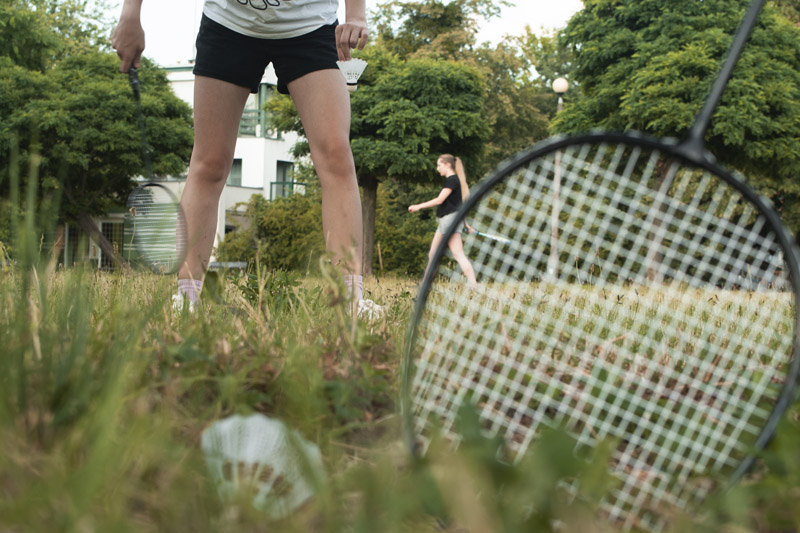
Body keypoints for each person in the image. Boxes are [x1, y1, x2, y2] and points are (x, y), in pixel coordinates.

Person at [112, 0, 374, 314]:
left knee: (336, 155)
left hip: (309, 23)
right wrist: (130, 15)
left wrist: (356, 15)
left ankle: (349, 302)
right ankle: (186, 299)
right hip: (229, 23)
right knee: (209, 163)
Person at [408, 154, 478, 288]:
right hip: (446, 221)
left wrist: (418, 206)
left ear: (447, 165)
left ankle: (473, 284)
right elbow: (460, 206)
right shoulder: (455, 181)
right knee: (433, 254)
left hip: (448, 221)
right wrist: (466, 224)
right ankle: (424, 285)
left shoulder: (452, 181)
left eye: (439, 165)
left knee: (458, 254)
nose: (437, 168)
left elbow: (440, 200)